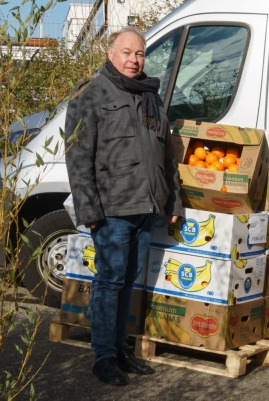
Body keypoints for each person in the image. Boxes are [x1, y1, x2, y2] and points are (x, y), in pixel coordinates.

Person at [65, 26, 184, 386]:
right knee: (109, 281)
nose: (134, 60)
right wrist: (90, 212)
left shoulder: (150, 95)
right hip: (113, 210)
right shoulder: (91, 95)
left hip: (147, 207)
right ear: (110, 52)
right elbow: (77, 157)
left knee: (128, 281)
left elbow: (166, 155)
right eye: (127, 53)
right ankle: (102, 356)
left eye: (140, 54)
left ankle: (120, 349)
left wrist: (173, 198)